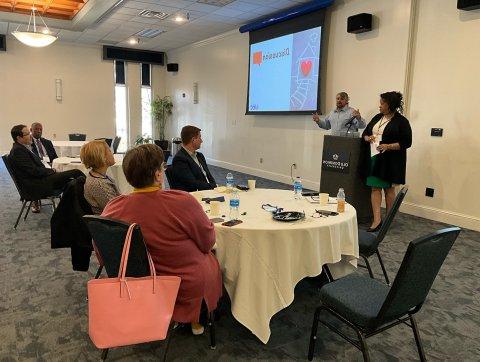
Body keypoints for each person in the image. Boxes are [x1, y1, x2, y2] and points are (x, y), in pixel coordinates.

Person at [102, 144, 222, 335]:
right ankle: (195, 317)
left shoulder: (113, 207)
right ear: (158, 175)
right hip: (185, 282)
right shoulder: (182, 201)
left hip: (138, 282)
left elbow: (104, 250)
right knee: (213, 257)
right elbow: (207, 242)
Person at [361, 91, 412, 232]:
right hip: (374, 158)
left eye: (382, 103)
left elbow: (407, 142)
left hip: (390, 161)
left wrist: (388, 146)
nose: (380, 105)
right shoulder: (377, 117)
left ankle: (388, 220)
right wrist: (368, 138)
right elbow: (365, 133)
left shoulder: (402, 121)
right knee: (375, 187)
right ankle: (377, 220)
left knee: (389, 189)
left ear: (390, 105)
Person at [8, 125, 84, 212]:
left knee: (71, 181)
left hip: (40, 180)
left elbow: (35, 168)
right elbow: (34, 171)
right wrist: (52, 170)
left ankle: (74, 208)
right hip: (36, 185)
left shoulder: (21, 148)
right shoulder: (18, 151)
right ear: (19, 138)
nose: (30, 135)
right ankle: (90, 200)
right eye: (28, 134)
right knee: (76, 172)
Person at [171, 125, 216, 192]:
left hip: (207, 191)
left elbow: (208, 176)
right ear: (193, 140)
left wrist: (214, 186)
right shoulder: (180, 159)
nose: (201, 141)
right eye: (200, 137)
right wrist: (213, 187)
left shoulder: (200, 156)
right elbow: (192, 183)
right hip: (194, 196)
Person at [80, 140, 120, 214]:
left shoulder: (98, 175)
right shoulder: (99, 184)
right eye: (109, 151)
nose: (112, 153)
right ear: (102, 157)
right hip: (112, 223)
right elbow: (115, 210)